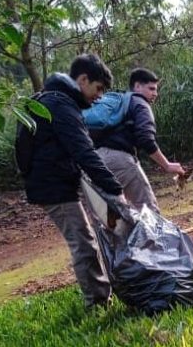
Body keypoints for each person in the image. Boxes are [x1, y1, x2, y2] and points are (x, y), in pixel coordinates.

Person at [22, 53, 125, 309]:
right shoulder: (61, 105)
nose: (99, 96)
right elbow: (84, 152)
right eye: (98, 88)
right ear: (82, 79)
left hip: (55, 181)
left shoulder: (51, 99)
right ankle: (98, 303)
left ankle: (102, 296)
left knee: (86, 238)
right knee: (84, 243)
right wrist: (115, 189)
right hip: (52, 187)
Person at [91, 67, 186, 212]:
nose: (155, 93)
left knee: (113, 215)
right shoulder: (140, 103)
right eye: (151, 89)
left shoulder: (119, 102)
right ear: (137, 86)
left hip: (96, 161)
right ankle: (155, 236)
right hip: (120, 160)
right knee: (148, 210)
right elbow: (146, 140)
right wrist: (167, 165)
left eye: (156, 89)